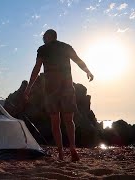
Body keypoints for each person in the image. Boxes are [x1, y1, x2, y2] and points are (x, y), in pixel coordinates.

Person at [23, 29, 94, 161]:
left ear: (49, 36)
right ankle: (72, 148)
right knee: (69, 120)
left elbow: (37, 68)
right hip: (67, 87)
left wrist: (28, 88)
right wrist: (88, 71)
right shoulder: (66, 47)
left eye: (44, 36)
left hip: (51, 90)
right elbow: (78, 61)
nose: (43, 38)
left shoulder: (42, 49)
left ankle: (61, 153)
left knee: (55, 122)